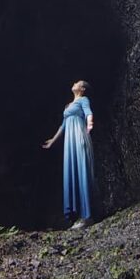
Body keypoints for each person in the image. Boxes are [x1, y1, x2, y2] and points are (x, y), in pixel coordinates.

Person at [43, 80, 95, 228]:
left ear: (82, 88)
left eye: (78, 83)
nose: (74, 83)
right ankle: (77, 215)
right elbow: (63, 125)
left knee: (81, 169)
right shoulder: (68, 106)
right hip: (69, 140)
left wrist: (89, 125)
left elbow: (88, 113)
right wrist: (53, 140)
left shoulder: (83, 99)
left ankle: (87, 216)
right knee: (72, 171)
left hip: (78, 134)